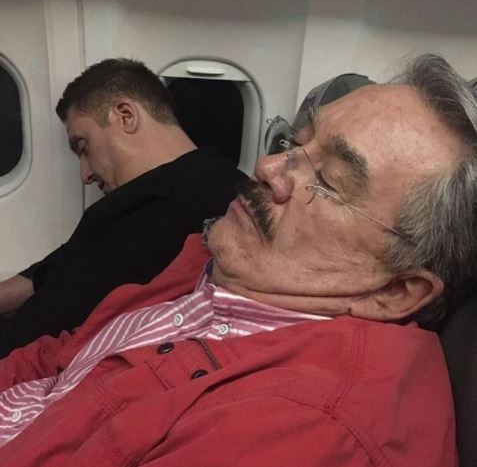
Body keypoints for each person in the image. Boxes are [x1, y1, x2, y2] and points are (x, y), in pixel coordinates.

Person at [0, 54, 474, 466]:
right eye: (295, 143)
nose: (266, 168)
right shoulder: (219, 258)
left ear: (396, 291)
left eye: (328, 180)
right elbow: (66, 356)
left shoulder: (301, 431)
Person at [0, 58, 246, 357]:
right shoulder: (208, 183)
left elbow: (44, 327)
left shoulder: (159, 216)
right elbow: (53, 271)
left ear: (126, 115)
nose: (85, 174)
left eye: (83, 147)